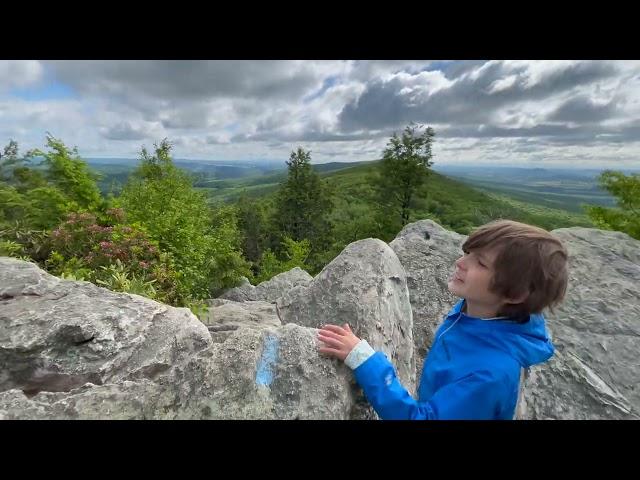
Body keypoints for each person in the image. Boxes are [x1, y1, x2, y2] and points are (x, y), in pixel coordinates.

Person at [317, 220, 568, 420]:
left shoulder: (489, 375)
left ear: (514, 294)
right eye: (468, 253)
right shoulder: (477, 314)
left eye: (480, 262)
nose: (460, 262)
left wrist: (364, 361)